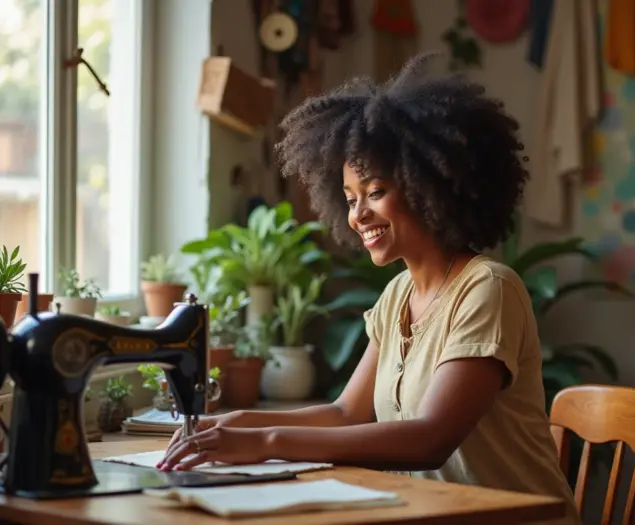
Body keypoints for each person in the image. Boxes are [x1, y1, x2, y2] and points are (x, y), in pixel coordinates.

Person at [159, 52, 580, 524]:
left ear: (433, 185)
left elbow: (430, 439)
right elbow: (345, 413)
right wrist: (236, 422)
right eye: (349, 199)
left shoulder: (487, 288)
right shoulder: (399, 295)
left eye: (375, 193)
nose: (357, 215)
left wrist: (266, 442)